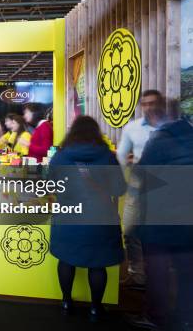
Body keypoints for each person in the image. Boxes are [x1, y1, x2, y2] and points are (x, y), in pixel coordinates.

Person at [48, 116, 126, 321]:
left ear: (72, 132)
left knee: (66, 259)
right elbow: (119, 188)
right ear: (95, 132)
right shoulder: (108, 156)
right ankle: (95, 308)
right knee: (97, 264)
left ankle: (66, 301)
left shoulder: (60, 157)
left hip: (68, 216)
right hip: (100, 217)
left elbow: (50, 187)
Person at [127, 116, 193, 329]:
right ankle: (186, 317)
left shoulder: (160, 138)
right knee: (187, 271)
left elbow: (143, 173)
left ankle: (157, 317)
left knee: (157, 269)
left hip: (159, 214)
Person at [116, 90, 166, 289]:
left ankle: (158, 277)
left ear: (160, 104)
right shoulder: (132, 128)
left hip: (165, 191)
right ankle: (137, 275)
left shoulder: (172, 127)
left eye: (152, 103)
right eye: (144, 104)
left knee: (158, 236)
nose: (148, 107)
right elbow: (121, 156)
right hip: (137, 188)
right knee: (130, 231)